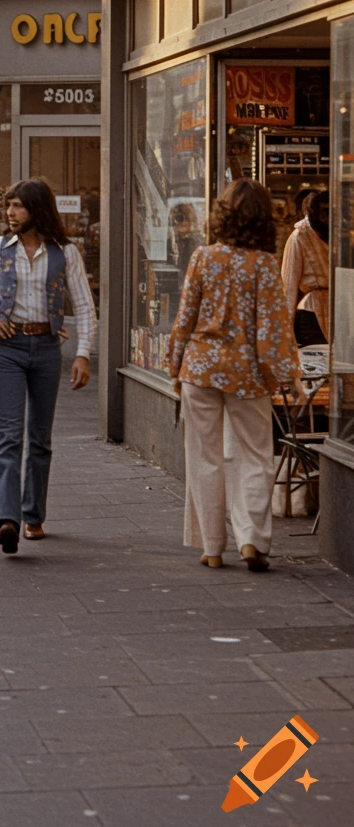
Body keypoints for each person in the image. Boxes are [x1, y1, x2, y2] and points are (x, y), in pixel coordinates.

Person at [167, 179, 301, 572]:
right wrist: (285, 373)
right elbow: (273, 328)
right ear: (263, 220)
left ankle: (211, 547)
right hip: (247, 374)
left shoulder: (203, 258)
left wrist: (175, 367)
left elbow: (184, 319)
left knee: (203, 458)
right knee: (255, 455)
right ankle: (252, 541)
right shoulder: (262, 264)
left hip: (200, 368)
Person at [0, 178, 97, 554]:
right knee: (9, 436)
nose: (9, 213)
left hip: (45, 348)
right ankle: (7, 518)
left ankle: (33, 515)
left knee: (40, 438)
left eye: (18, 206)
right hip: (7, 349)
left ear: (36, 210)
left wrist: (84, 354)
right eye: (8, 206)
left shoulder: (65, 252)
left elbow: (85, 306)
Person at [281, 189, 329, 345]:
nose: (326, 217)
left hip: (341, 310)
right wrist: (285, 333)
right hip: (311, 313)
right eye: (323, 211)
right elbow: (288, 286)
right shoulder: (299, 236)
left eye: (329, 211)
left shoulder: (341, 235)